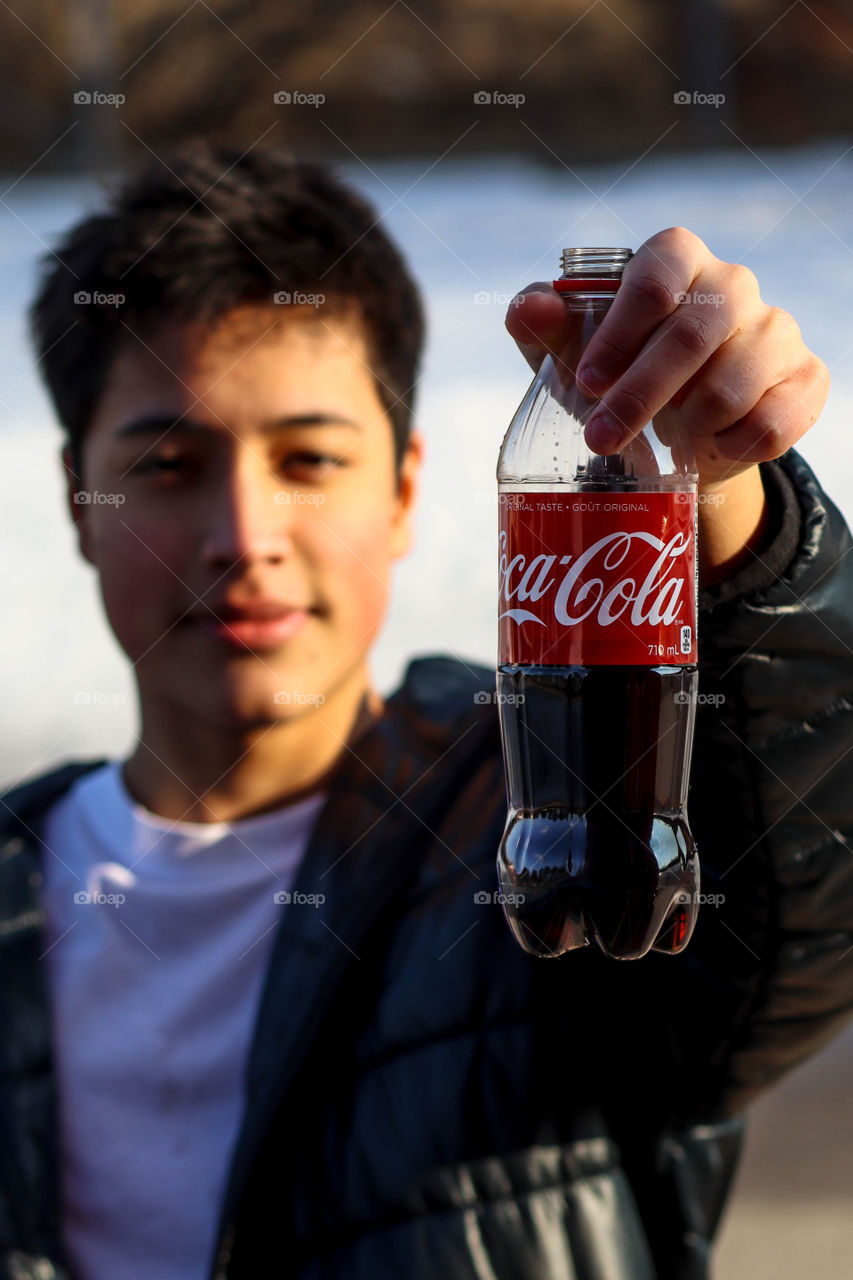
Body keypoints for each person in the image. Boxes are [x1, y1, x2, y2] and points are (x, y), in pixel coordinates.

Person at [1, 141, 851, 1280]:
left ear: (403, 489)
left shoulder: (542, 830)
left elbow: (808, 907)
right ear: (78, 497)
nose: (243, 537)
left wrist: (734, 513)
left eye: (307, 458)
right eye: (168, 462)